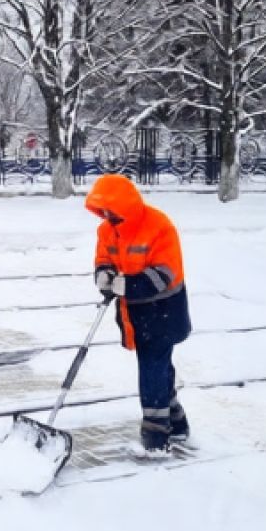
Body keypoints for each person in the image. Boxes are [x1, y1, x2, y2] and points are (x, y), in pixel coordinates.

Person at [84, 174, 192, 452]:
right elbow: (103, 257)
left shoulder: (158, 226)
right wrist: (104, 274)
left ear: (124, 205)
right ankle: (177, 423)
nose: (106, 215)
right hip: (134, 313)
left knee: (152, 368)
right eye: (102, 210)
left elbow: (167, 272)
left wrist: (128, 284)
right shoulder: (107, 229)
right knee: (158, 367)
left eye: (110, 209)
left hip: (163, 311)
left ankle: (156, 435)